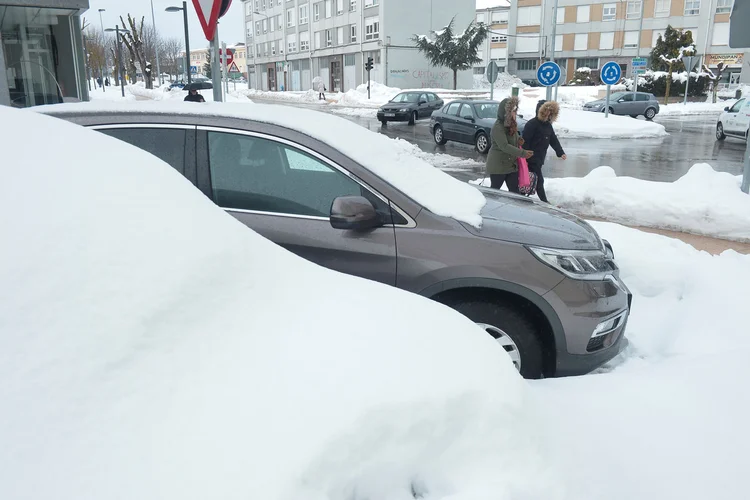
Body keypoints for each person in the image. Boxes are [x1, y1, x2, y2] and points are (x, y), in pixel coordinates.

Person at [522, 100, 566, 203]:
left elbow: (553, 139)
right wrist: (525, 155)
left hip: (539, 158)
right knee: (538, 181)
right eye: (547, 111)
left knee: (529, 180)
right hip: (530, 158)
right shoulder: (532, 124)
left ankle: (522, 198)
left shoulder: (548, 125)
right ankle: (544, 202)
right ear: (540, 111)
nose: (548, 114)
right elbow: (525, 141)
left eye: (551, 112)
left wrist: (560, 152)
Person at [485, 96, 533, 192]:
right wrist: (522, 153)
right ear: (506, 113)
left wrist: (519, 140)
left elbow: (512, 138)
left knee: (515, 191)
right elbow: (504, 146)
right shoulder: (498, 127)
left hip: (511, 165)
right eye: (513, 111)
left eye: (515, 111)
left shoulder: (511, 124)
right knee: (495, 191)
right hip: (498, 165)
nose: (515, 113)